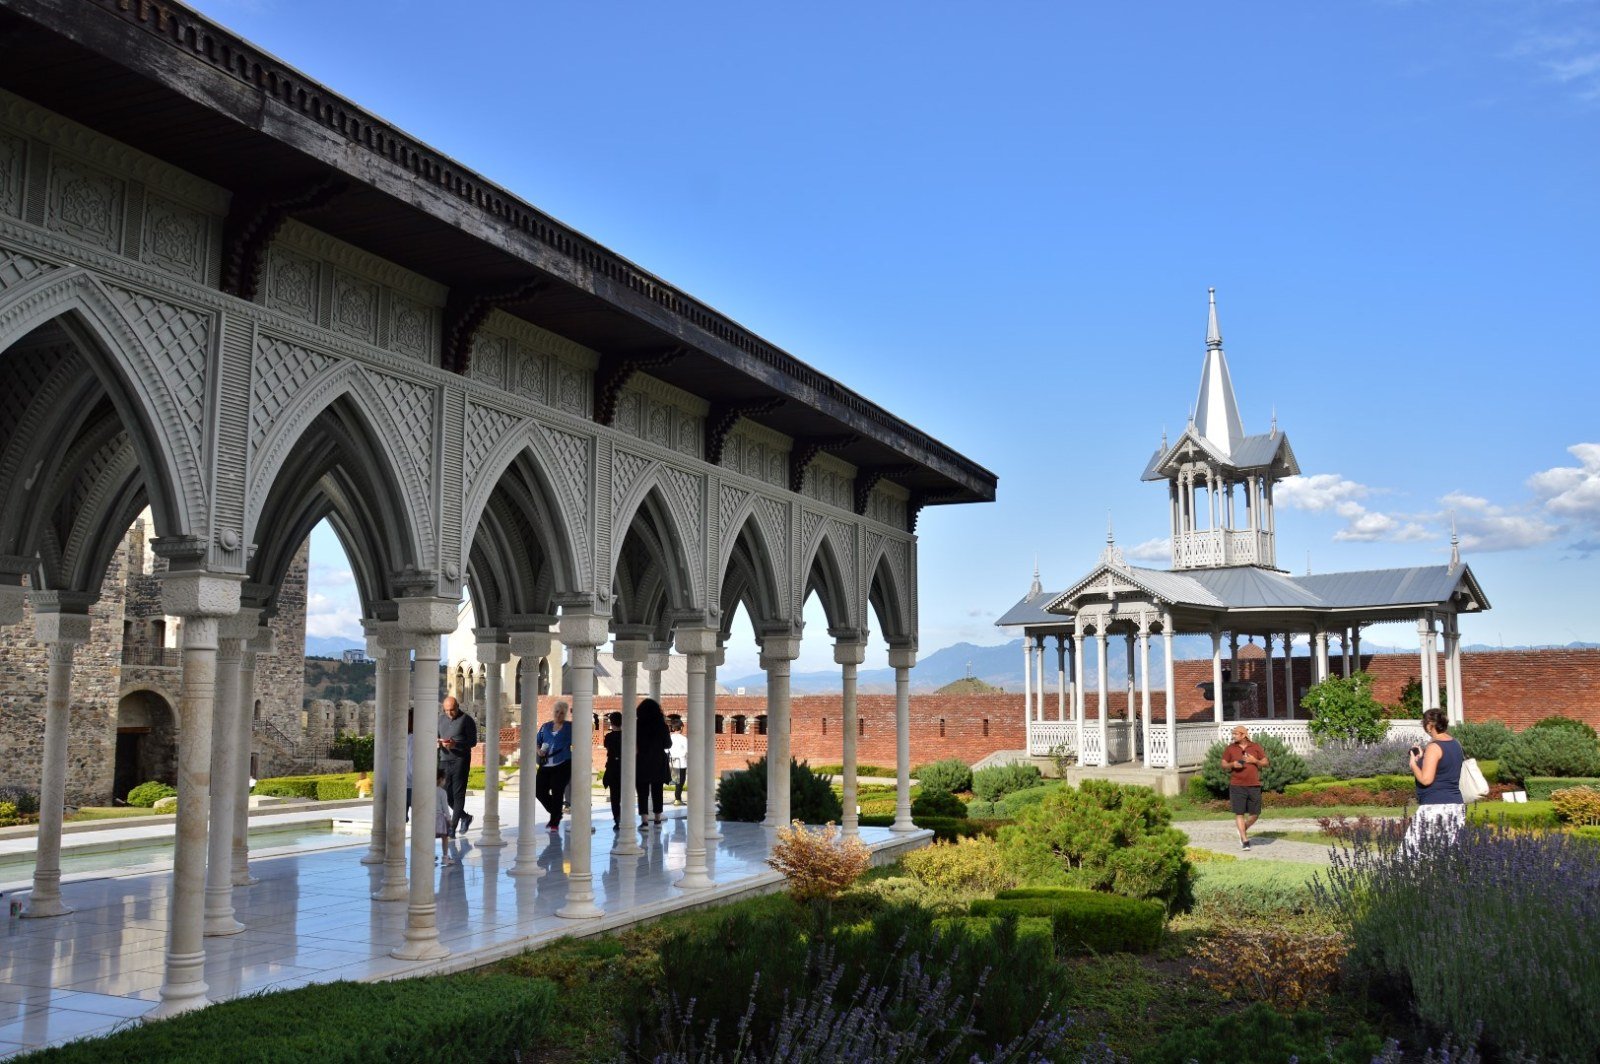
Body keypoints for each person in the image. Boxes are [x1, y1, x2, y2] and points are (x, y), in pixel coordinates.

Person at [1406, 708, 1465, 850]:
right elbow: (1443, 769)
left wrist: (1414, 764)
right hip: (1455, 806)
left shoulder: (1434, 747)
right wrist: (1422, 758)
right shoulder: (1456, 744)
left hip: (1435, 807)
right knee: (1448, 856)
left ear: (1429, 725)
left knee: (1412, 854)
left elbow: (1426, 779)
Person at [437, 695, 478, 837]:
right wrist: (437, 742)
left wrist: (456, 744)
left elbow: (473, 742)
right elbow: (436, 736)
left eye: (452, 710)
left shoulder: (467, 720)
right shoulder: (441, 719)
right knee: (446, 795)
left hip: (461, 759)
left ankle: (452, 828)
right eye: (446, 710)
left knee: (458, 793)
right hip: (444, 759)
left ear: (457, 707)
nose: (449, 713)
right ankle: (465, 817)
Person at [1223, 725, 1269, 849]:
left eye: (1235, 734)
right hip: (1237, 785)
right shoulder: (1230, 748)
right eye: (1233, 734)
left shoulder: (1255, 747)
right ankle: (1245, 841)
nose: (1233, 736)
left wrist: (1255, 761)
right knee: (1239, 813)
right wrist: (1233, 764)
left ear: (1243, 735)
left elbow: (1266, 762)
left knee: (1255, 814)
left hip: (1254, 785)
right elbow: (1223, 764)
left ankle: (1243, 829)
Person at [534, 701, 573, 832]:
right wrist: (538, 750)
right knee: (539, 791)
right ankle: (556, 812)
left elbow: (582, 737)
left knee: (558, 792)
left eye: (562, 713)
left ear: (565, 714)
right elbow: (536, 741)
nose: (559, 715)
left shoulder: (570, 727)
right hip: (546, 764)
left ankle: (554, 822)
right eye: (557, 712)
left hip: (563, 764)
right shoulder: (546, 727)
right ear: (553, 712)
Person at [635, 697, 672, 824]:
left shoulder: (637, 725)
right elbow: (668, 744)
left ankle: (644, 819)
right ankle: (657, 817)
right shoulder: (662, 726)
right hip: (658, 761)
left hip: (641, 760)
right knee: (657, 790)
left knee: (642, 791)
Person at [601, 711, 624, 831]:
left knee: (614, 797)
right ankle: (625, 819)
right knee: (625, 796)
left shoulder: (609, 737)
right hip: (624, 769)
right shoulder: (626, 736)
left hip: (612, 768)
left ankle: (617, 819)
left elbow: (607, 747)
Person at [434, 768, 455, 866]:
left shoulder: (426, 790)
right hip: (440, 818)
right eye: (444, 779)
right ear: (440, 779)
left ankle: (429, 856)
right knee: (445, 838)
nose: (445, 781)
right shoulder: (442, 792)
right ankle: (445, 857)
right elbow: (445, 808)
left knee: (429, 838)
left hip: (428, 819)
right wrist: (449, 819)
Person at [668, 719, 689, 806]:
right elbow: (688, 750)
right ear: (680, 728)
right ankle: (677, 799)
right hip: (682, 762)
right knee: (681, 781)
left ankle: (677, 798)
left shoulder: (670, 737)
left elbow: (666, 750)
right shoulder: (683, 738)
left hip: (672, 761)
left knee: (676, 781)